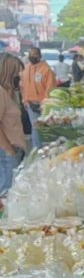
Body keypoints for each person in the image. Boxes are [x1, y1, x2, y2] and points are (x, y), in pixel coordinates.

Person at [0, 55, 27, 195]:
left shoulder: (8, 92)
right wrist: (9, 151)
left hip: (13, 149)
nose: (19, 76)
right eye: (16, 73)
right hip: (7, 151)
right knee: (7, 192)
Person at [20, 47, 56, 149]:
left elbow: (50, 88)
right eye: (30, 54)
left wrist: (45, 104)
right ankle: (37, 149)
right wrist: (25, 100)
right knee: (36, 127)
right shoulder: (25, 70)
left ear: (40, 56)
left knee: (45, 128)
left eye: (34, 54)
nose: (31, 57)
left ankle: (45, 148)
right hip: (30, 104)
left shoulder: (46, 70)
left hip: (43, 105)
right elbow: (22, 87)